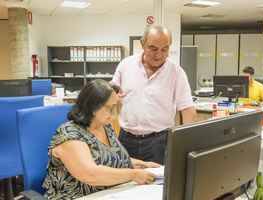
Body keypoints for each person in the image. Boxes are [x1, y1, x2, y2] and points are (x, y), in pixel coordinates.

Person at [42, 79, 160, 199]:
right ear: (92, 107)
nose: (114, 115)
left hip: (108, 193)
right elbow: (90, 174)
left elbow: (110, 157)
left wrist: (142, 164)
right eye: (110, 108)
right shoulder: (69, 134)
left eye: (116, 107)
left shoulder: (104, 126)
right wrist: (133, 174)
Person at [111, 25, 196, 165]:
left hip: (159, 142)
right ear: (142, 44)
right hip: (125, 139)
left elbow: (188, 111)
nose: (159, 55)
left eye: (165, 49)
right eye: (153, 48)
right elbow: (111, 97)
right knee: (124, 182)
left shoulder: (176, 72)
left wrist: (185, 146)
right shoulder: (126, 65)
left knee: (157, 183)